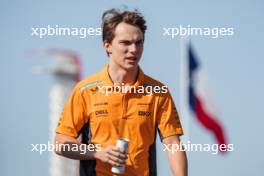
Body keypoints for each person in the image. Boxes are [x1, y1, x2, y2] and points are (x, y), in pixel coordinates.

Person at [54, 8, 187, 176]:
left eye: (138, 43)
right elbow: (61, 143)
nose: (133, 50)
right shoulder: (85, 90)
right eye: (125, 43)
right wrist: (96, 153)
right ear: (107, 45)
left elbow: (173, 143)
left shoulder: (158, 92)